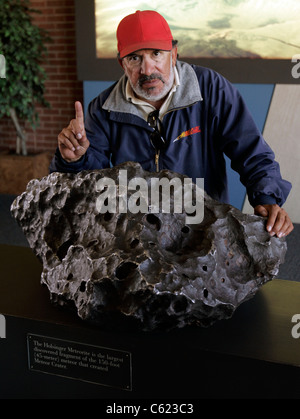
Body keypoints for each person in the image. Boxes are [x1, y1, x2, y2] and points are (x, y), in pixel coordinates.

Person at [50, 10, 294, 238]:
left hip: (204, 228)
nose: (147, 69)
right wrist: (74, 160)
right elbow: (90, 181)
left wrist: (267, 199)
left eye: (156, 54)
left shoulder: (210, 89)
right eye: (135, 58)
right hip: (137, 233)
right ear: (122, 64)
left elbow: (250, 149)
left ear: (174, 53)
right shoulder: (103, 108)